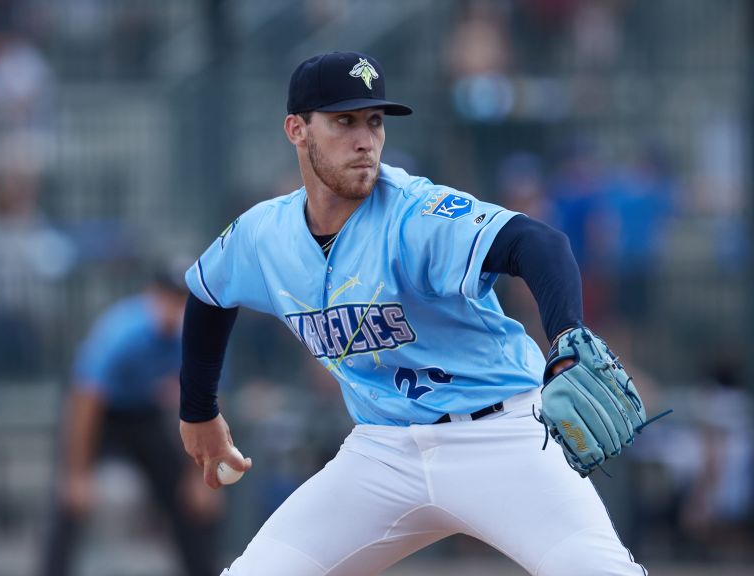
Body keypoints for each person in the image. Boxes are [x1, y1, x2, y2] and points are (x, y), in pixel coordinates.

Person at [179, 51, 649, 575]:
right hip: (381, 452)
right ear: (297, 130)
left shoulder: (415, 213)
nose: (365, 140)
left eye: (374, 122)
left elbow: (538, 244)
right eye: (344, 121)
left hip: (502, 437)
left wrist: (566, 335)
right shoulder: (264, 233)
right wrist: (199, 411)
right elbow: (207, 293)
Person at [41, 268, 221, 576]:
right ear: (151, 295)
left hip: (143, 414)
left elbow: (206, 406)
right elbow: (86, 399)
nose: (173, 307)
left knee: (188, 497)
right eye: (168, 297)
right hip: (100, 415)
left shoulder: (193, 334)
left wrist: (199, 477)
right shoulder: (123, 329)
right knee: (70, 501)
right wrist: (77, 474)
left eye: (181, 300)